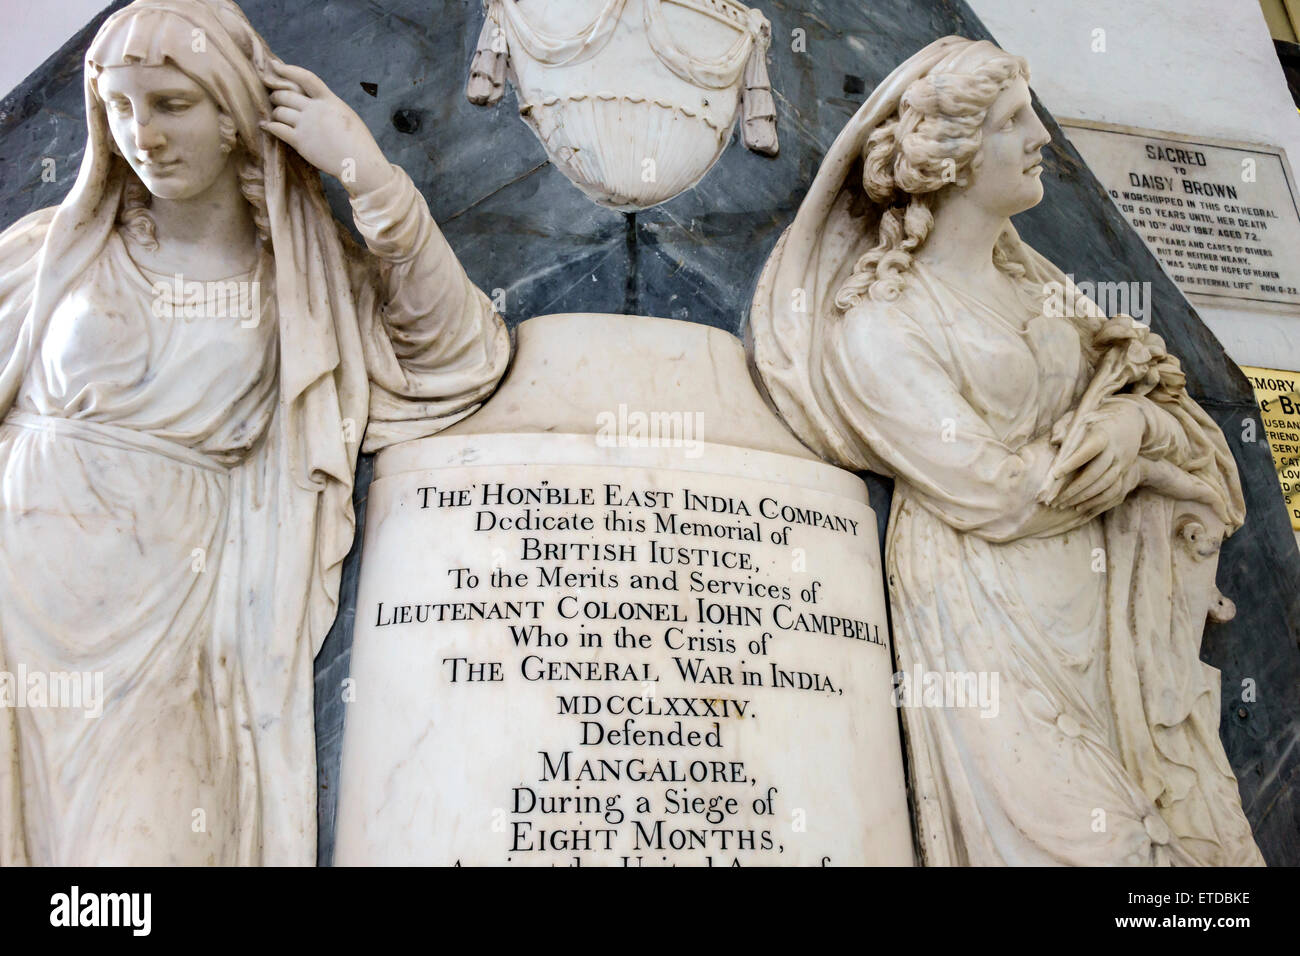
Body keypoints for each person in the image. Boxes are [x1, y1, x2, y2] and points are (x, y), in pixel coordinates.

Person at [0, 0, 509, 864]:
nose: (141, 136)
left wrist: (366, 172)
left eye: (171, 105)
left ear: (236, 115)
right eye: (119, 108)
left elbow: (457, 352)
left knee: (143, 847)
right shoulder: (52, 252)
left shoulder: (302, 291)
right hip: (21, 594)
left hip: (173, 617)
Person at [749, 36, 1263, 865]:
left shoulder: (1040, 287)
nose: (1042, 138)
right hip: (983, 609)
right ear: (954, 156)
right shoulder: (881, 324)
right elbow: (998, 494)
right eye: (1015, 121)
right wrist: (1119, 456)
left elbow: (1158, 411)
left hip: (1100, 607)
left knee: (1173, 838)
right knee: (1093, 848)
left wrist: (1133, 431)